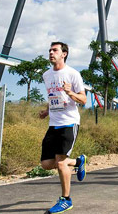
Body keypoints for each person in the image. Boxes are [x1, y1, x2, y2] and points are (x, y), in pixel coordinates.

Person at [39, 42, 87, 214]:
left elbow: (84, 99)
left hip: (69, 122)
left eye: (55, 50)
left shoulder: (73, 74)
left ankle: (66, 200)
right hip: (53, 123)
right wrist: (47, 110)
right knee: (46, 164)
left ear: (64, 54)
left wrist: (70, 93)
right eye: (50, 50)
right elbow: (53, 96)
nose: (51, 53)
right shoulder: (46, 75)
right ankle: (77, 162)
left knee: (60, 163)